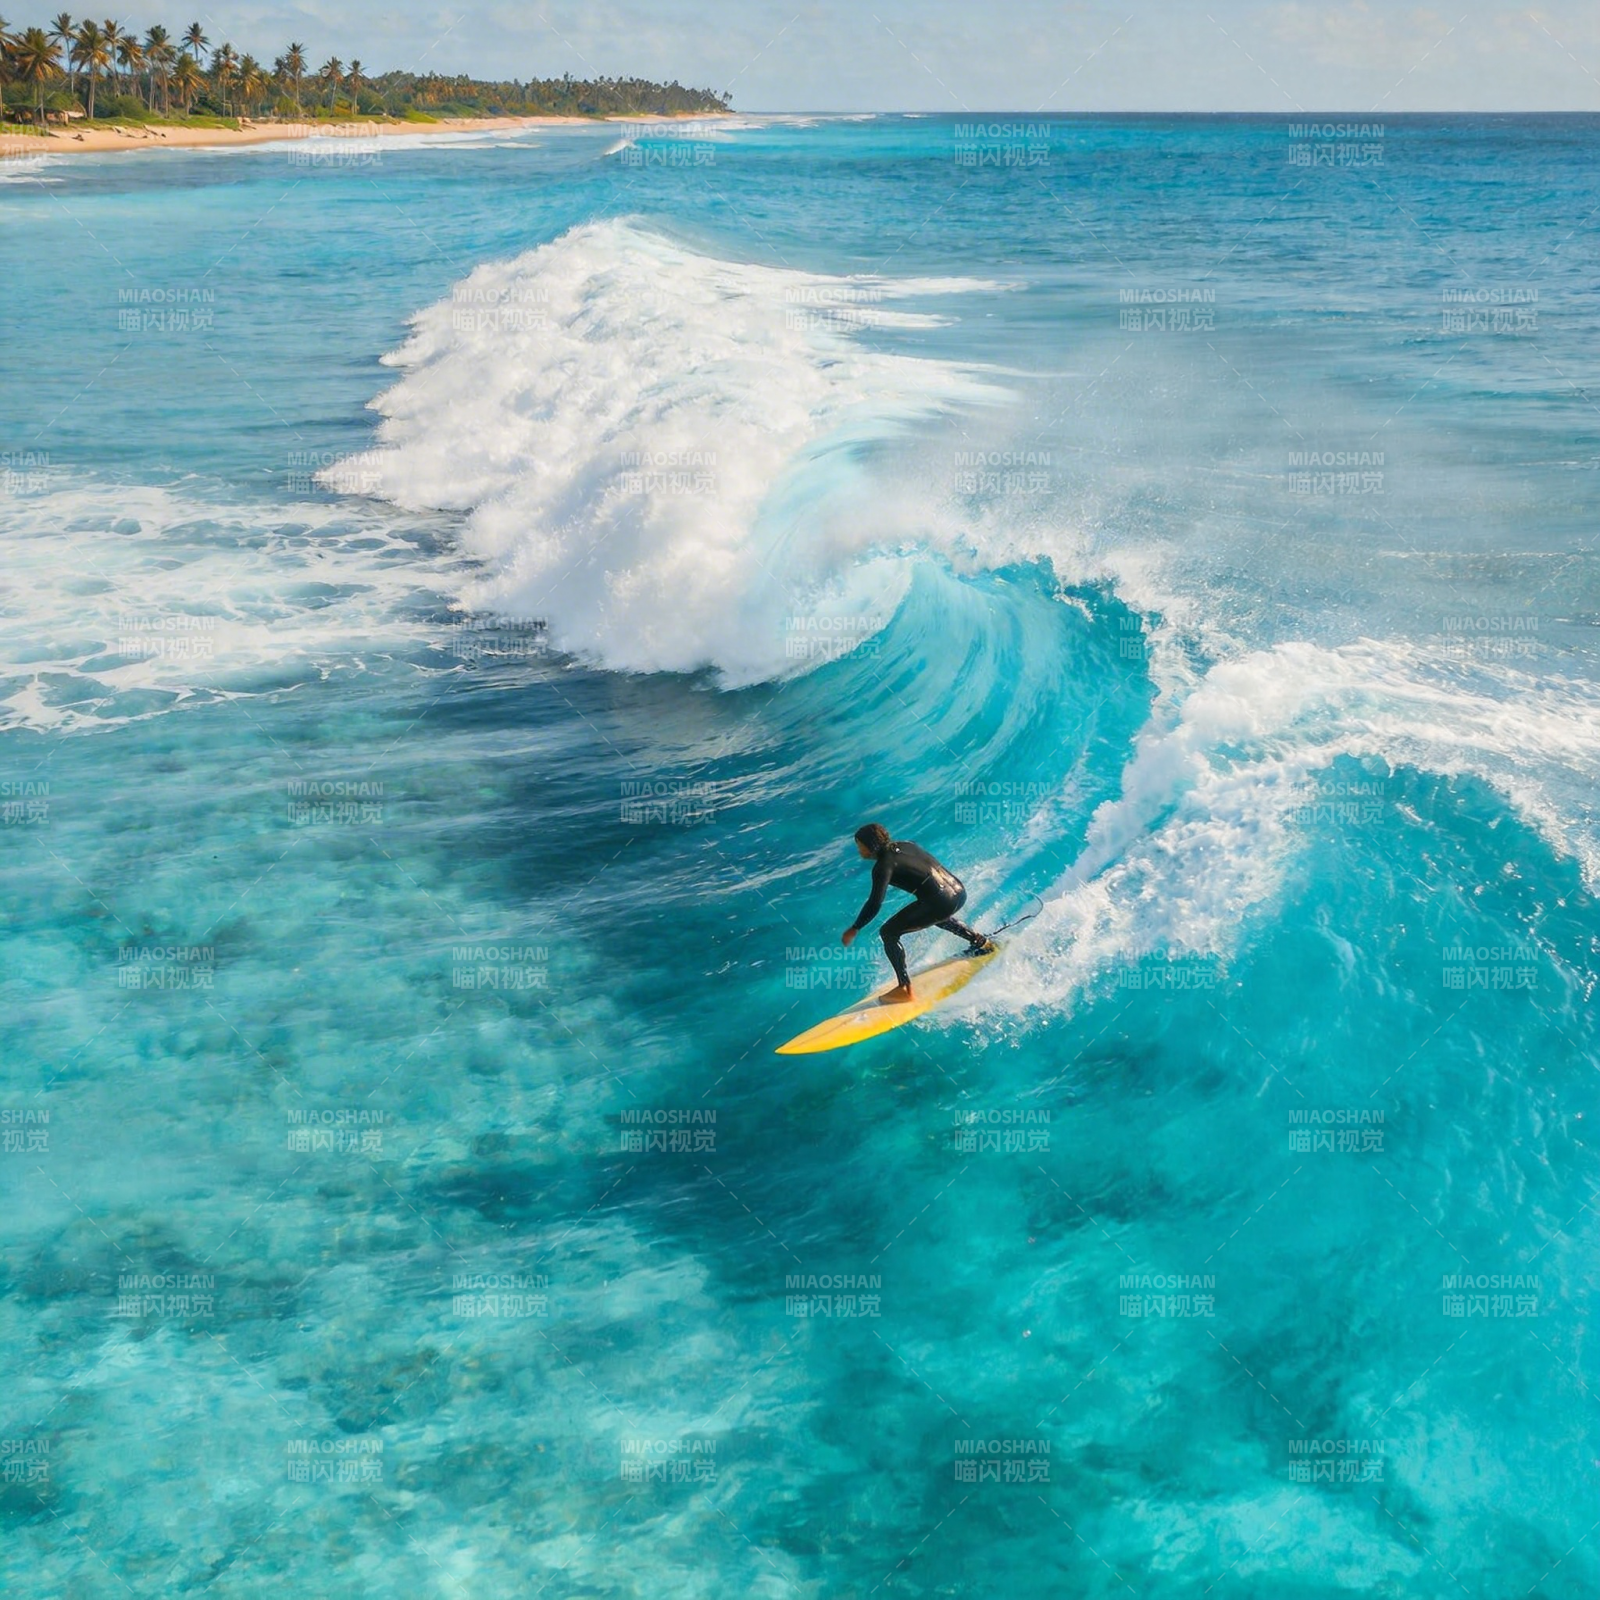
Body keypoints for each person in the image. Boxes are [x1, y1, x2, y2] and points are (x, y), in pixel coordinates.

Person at [841, 823, 994, 1001]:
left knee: (888, 932)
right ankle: (980, 942)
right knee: (933, 913)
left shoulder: (883, 866)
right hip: (958, 892)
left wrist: (855, 927)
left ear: (870, 845)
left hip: (942, 902)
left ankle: (904, 989)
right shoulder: (907, 845)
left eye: (860, 845)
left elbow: (875, 902)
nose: (859, 850)